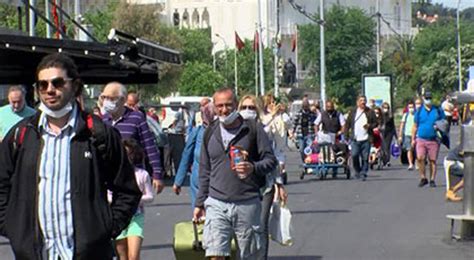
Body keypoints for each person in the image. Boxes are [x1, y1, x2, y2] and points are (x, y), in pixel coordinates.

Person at [0, 53, 142, 259]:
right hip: (35, 254)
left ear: (75, 86)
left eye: (57, 83)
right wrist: (14, 229)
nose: (49, 89)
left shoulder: (98, 133)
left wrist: (104, 229)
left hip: (87, 253)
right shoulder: (21, 135)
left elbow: (127, 190)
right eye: (43, 85)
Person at [193, 88, 278, 260]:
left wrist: (252, 167)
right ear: (214, 107)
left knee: (248, 256)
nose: (224, 110)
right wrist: (199, 203)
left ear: (236, 105)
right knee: (215, 254)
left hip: (246, 202)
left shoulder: (252, 129)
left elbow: (270, 160)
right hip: (217, 202)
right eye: (219, 106)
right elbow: (205, 170)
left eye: (228, 105)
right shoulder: (210, 131)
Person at [238, 95, 288, 260]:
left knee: (261, 224)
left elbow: (277, 155)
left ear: (258, 110)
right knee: (243, 227)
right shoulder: (235, 131)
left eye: (251, 108)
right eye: (244, 107)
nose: (247, 111)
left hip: (265, 183)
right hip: (241, 185)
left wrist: (279, 184)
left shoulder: (268, 127)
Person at [101, 82, 165, 193]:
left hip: (132, 177)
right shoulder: (104, 120)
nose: (106, 101)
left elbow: (149, 146)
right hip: (109, 177)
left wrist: (157, 174)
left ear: (122, 99)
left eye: (110, 98)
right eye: (104, 97)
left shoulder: (136, 118)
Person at [113, 139, 154, 260]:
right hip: (118, 217)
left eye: (129, 154)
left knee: (133, 256)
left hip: (136, 218)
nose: (126, 158)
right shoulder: (114, 175)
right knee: (122, 256)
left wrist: (136, 199)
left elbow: (150, 196)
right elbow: (107, 195)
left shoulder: (142, 174)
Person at [173, 102, 215, 210]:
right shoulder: (197, 132)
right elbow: (186, 155)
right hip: (198, 180)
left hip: (216, 182)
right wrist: (178, 181)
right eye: (205, 114)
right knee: (199, 214)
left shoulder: (221, 132)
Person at [411, 91, 445, 187]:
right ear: (423, 98)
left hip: (433, 139)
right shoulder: (419, 111)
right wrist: (413, 139)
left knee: (432, 160)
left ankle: (432, 179)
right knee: (420, 158)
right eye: (426, 98)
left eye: (430, 98)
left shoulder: (437, 110)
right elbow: (415, 126)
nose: (428, 100)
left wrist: (439, 127)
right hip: (421, 138)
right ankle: (423, 177)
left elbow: (444, 122)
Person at [344, 95, 377, 181]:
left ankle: (363, 172)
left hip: (366, 138)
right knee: (354, 155)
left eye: (364, 100)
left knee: (365, 157)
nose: (363, 102)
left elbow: (376, 123)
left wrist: (370, 126)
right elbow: (347, 124)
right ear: (357, 102)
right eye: (361, 100)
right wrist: (346, 135)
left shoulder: (370, 112)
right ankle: (357, 171)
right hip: (355, 138)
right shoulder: (353, 112)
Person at [291, 97, 316, 162]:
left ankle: (308, 165)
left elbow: (316, 122)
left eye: (306, 105)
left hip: (309, 134)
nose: (305, 106)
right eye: (304, 105)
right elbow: (294, 123)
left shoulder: (312, 114)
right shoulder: (298, 113)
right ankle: (304, 163)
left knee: (309, 149)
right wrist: (292, 132)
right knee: (302, 150)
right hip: (300, 134)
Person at [398, 100, 416, 170]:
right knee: (409, 149)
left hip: (416, 135)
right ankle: (410, 163)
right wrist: (400, 135)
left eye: (412, 107)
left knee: (416, 150)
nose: (411, 108)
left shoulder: (417, 115)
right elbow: (402, 125)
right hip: (407, 134)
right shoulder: (406, 115)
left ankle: (417, 162)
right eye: (409, 107)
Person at [380, 102, 397, 167]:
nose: (385, 109)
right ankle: (383, 159)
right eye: (384, 107)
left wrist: (395, 135)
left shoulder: (390, 116)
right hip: (381, 132)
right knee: (382, 147)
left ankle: (387, 160)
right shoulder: (380, 115)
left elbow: (393, 126)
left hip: (389, 133)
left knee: (387, 146)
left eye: (386, 108)